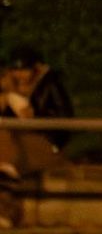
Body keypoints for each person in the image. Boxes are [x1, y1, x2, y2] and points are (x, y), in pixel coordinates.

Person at [0, 46, 73, 182]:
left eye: (24, 70)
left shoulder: (50, 85)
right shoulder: (11, 88)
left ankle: (7, 167)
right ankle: (6, 168)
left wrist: (35, 117)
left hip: (47, 140)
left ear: (35, 68)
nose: (20, 75)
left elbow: (64, 118)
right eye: (16, 70)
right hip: (20, 139)